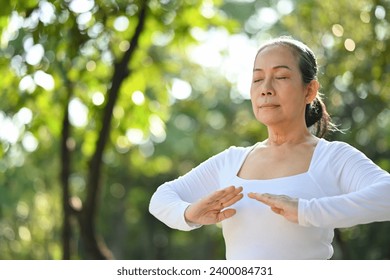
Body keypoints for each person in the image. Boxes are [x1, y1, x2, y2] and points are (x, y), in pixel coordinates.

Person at [148, 36, 390, 260]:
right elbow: (161, 198)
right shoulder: (231, 161)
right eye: (257, 79)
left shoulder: (332, 157)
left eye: (281, 77)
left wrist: (306, 211)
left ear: (309, 90)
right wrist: (189, 213)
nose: (266, 88)